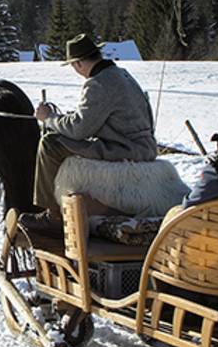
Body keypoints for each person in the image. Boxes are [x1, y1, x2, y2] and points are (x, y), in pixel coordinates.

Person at [30, 34, 157, 217]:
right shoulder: (122, 74)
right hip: (143, 146)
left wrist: (49, 118)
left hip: (124, 149)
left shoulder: (98, 83)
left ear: (79, 63)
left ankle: (52, 215)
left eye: (74, 66)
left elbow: (79, 129)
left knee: (50, 144)